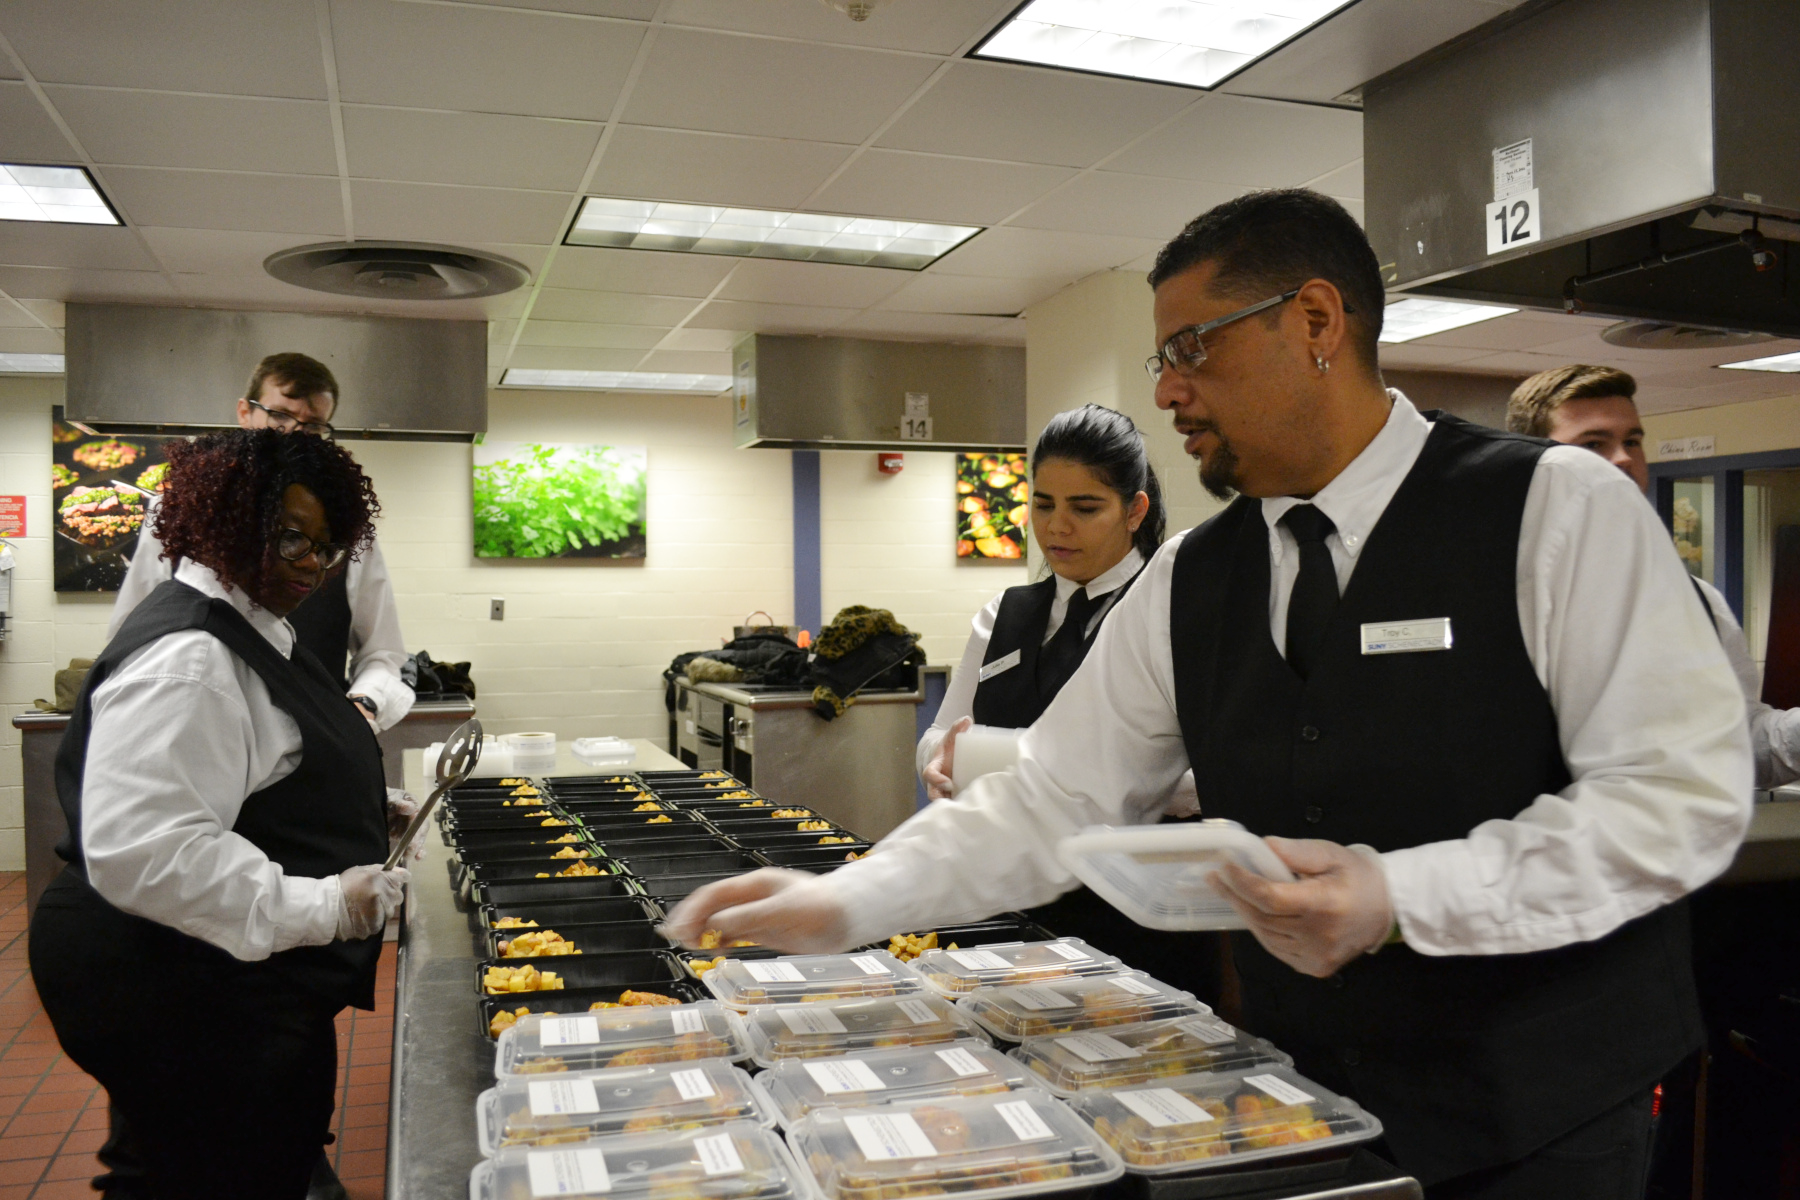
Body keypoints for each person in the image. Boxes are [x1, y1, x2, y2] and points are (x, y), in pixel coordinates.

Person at [665, 189, 1753, 1198]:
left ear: (1317, 321)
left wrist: (1400, 897)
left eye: (1192, 348)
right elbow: (1057, 796)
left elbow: (1675, 800)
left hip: (1546, 1116)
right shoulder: (1196, 573)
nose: (1166, 390)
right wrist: (850, 901)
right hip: (1300, 1101)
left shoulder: (1556, 510)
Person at [29, 429, 413, 1200]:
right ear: (223, 521)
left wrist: (360, 807)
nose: (311, 564)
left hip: (203, 970)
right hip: (170, 978)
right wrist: (327, 903)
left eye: (327, 547)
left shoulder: (252, 619)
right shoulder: (191, 654)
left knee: (203, 1159)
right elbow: (150, 851)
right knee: (214, 1170)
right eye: (290, 537)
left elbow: (256, 770)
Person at [918, 403, 1187, 956]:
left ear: (1135, 511)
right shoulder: (1006, 613)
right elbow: (941, 734)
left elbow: (1205, 773)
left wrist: (1071, 774)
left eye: (1085, 508)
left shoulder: (1171, 611)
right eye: (1042, 505)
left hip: (1127, 909)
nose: (1056, 527)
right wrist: (939, 760)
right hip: (1005, 896)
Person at [1507, 363, 1800, 787]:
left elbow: (1733, 744)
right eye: (1593, 444)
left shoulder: (1693, 600)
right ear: (1528, 460)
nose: (1624, 458)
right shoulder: (1484, 589)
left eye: (1632, 441)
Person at [109, 352, 413, 735]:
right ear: (244, 412)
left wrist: (365, 703)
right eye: (280, 416)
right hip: (194, 734)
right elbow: (129, 636)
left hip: (313, 750)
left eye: (313, 425)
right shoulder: (178, 513)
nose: (294, 434)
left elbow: (383, 654)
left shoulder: (343, 532)